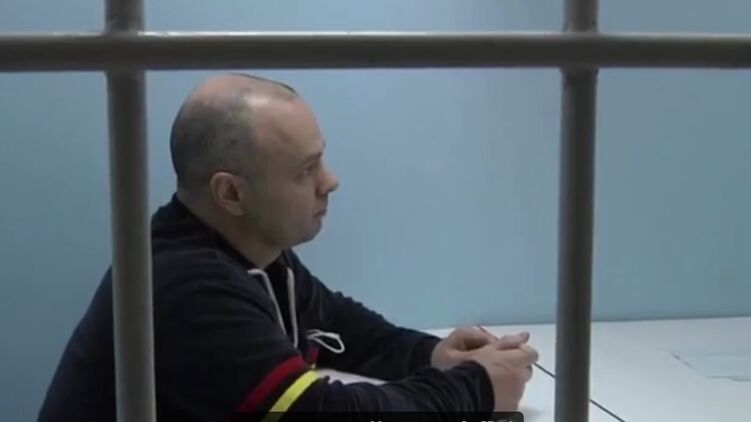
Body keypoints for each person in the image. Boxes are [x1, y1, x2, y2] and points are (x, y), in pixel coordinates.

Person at [37, 73, 539, 421]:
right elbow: (318, 414)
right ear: (231, 193)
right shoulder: (185, 287)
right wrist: (476, 387)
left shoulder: (251, 254)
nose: (330, 181)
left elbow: (335, 322)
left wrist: (430, 354)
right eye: (306, 170)